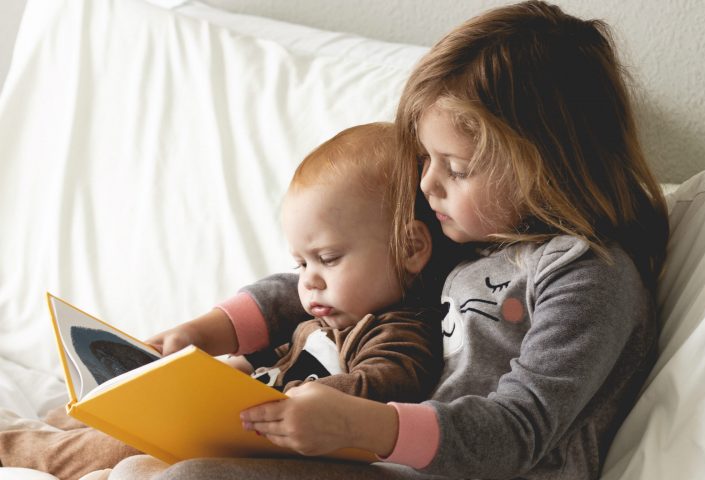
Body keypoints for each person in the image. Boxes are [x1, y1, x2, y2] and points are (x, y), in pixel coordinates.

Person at [144, 1, 669, 479]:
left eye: (456, 168)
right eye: (426, 160)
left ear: (547, 164)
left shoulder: (590, 275)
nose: (426, 185)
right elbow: (341, 281)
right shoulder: (466, 242)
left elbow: (519, 430)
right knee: (140, 470)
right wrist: (211, 330)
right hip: (390, 460)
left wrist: (362, 427)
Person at [0, 122, 444, 479]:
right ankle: (57, 422)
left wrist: (289, 400)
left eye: (327, 259)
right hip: (250, 415)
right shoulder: (329, 317)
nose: (308, 282)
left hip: (269, 438)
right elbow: (270, 320)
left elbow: (385, 385)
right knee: (126, 405)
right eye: (301, 264)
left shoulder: (401, 329)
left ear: (409, 249)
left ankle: (21, 448)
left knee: (130, 439)